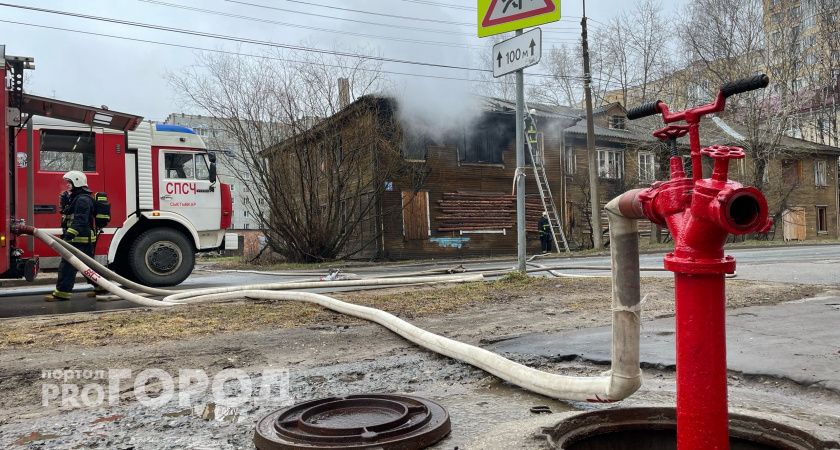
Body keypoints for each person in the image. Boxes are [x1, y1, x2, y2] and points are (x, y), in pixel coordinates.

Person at [45, 171, 99, 301]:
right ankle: (101, 288)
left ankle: (61, 294)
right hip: (80, 239)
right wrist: (65, 202)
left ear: (77, 182)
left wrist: (69, 235)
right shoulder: (77, 198)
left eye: (69, 183)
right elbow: (67, 214)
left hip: (80, 239)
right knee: (88, 267)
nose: (67, 185)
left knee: (68, 266)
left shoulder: (83, 200)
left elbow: (80, 220)